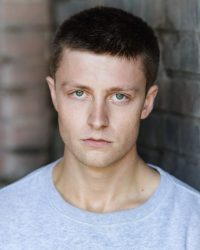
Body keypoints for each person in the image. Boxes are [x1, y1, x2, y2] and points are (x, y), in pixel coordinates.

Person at [0, 6, 200, 250]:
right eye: (79, 93)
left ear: (147, 103)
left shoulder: (191, 225)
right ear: (54, 95)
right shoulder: (7, 217)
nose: (97, 120)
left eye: (119, 97)